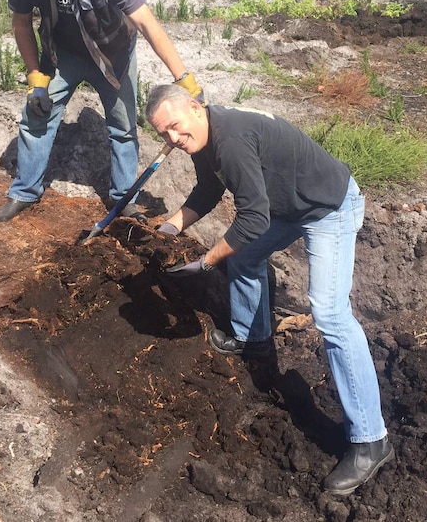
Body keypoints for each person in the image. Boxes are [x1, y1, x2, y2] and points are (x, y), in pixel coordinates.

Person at [145, 84, 393, 495]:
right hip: (289, 206)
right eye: (163, 135)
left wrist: (207, 261)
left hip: (327, 206)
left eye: (174, 126)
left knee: (330, 316)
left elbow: (253, 220)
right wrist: (170, 226)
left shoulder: (231, 140)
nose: (172, 139)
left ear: (195, 107)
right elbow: (208, 191)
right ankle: (254, 338)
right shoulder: (204, 138)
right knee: (244, 259)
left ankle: (371, 440)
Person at [0, 0, 203, 223]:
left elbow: (146, 21)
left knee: (122, 126)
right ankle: (24, 192)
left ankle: (123, 198)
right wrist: (35, 78)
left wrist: (185, 80)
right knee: (35, 115)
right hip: (63, 54)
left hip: (112, 53)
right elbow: (21, 23)